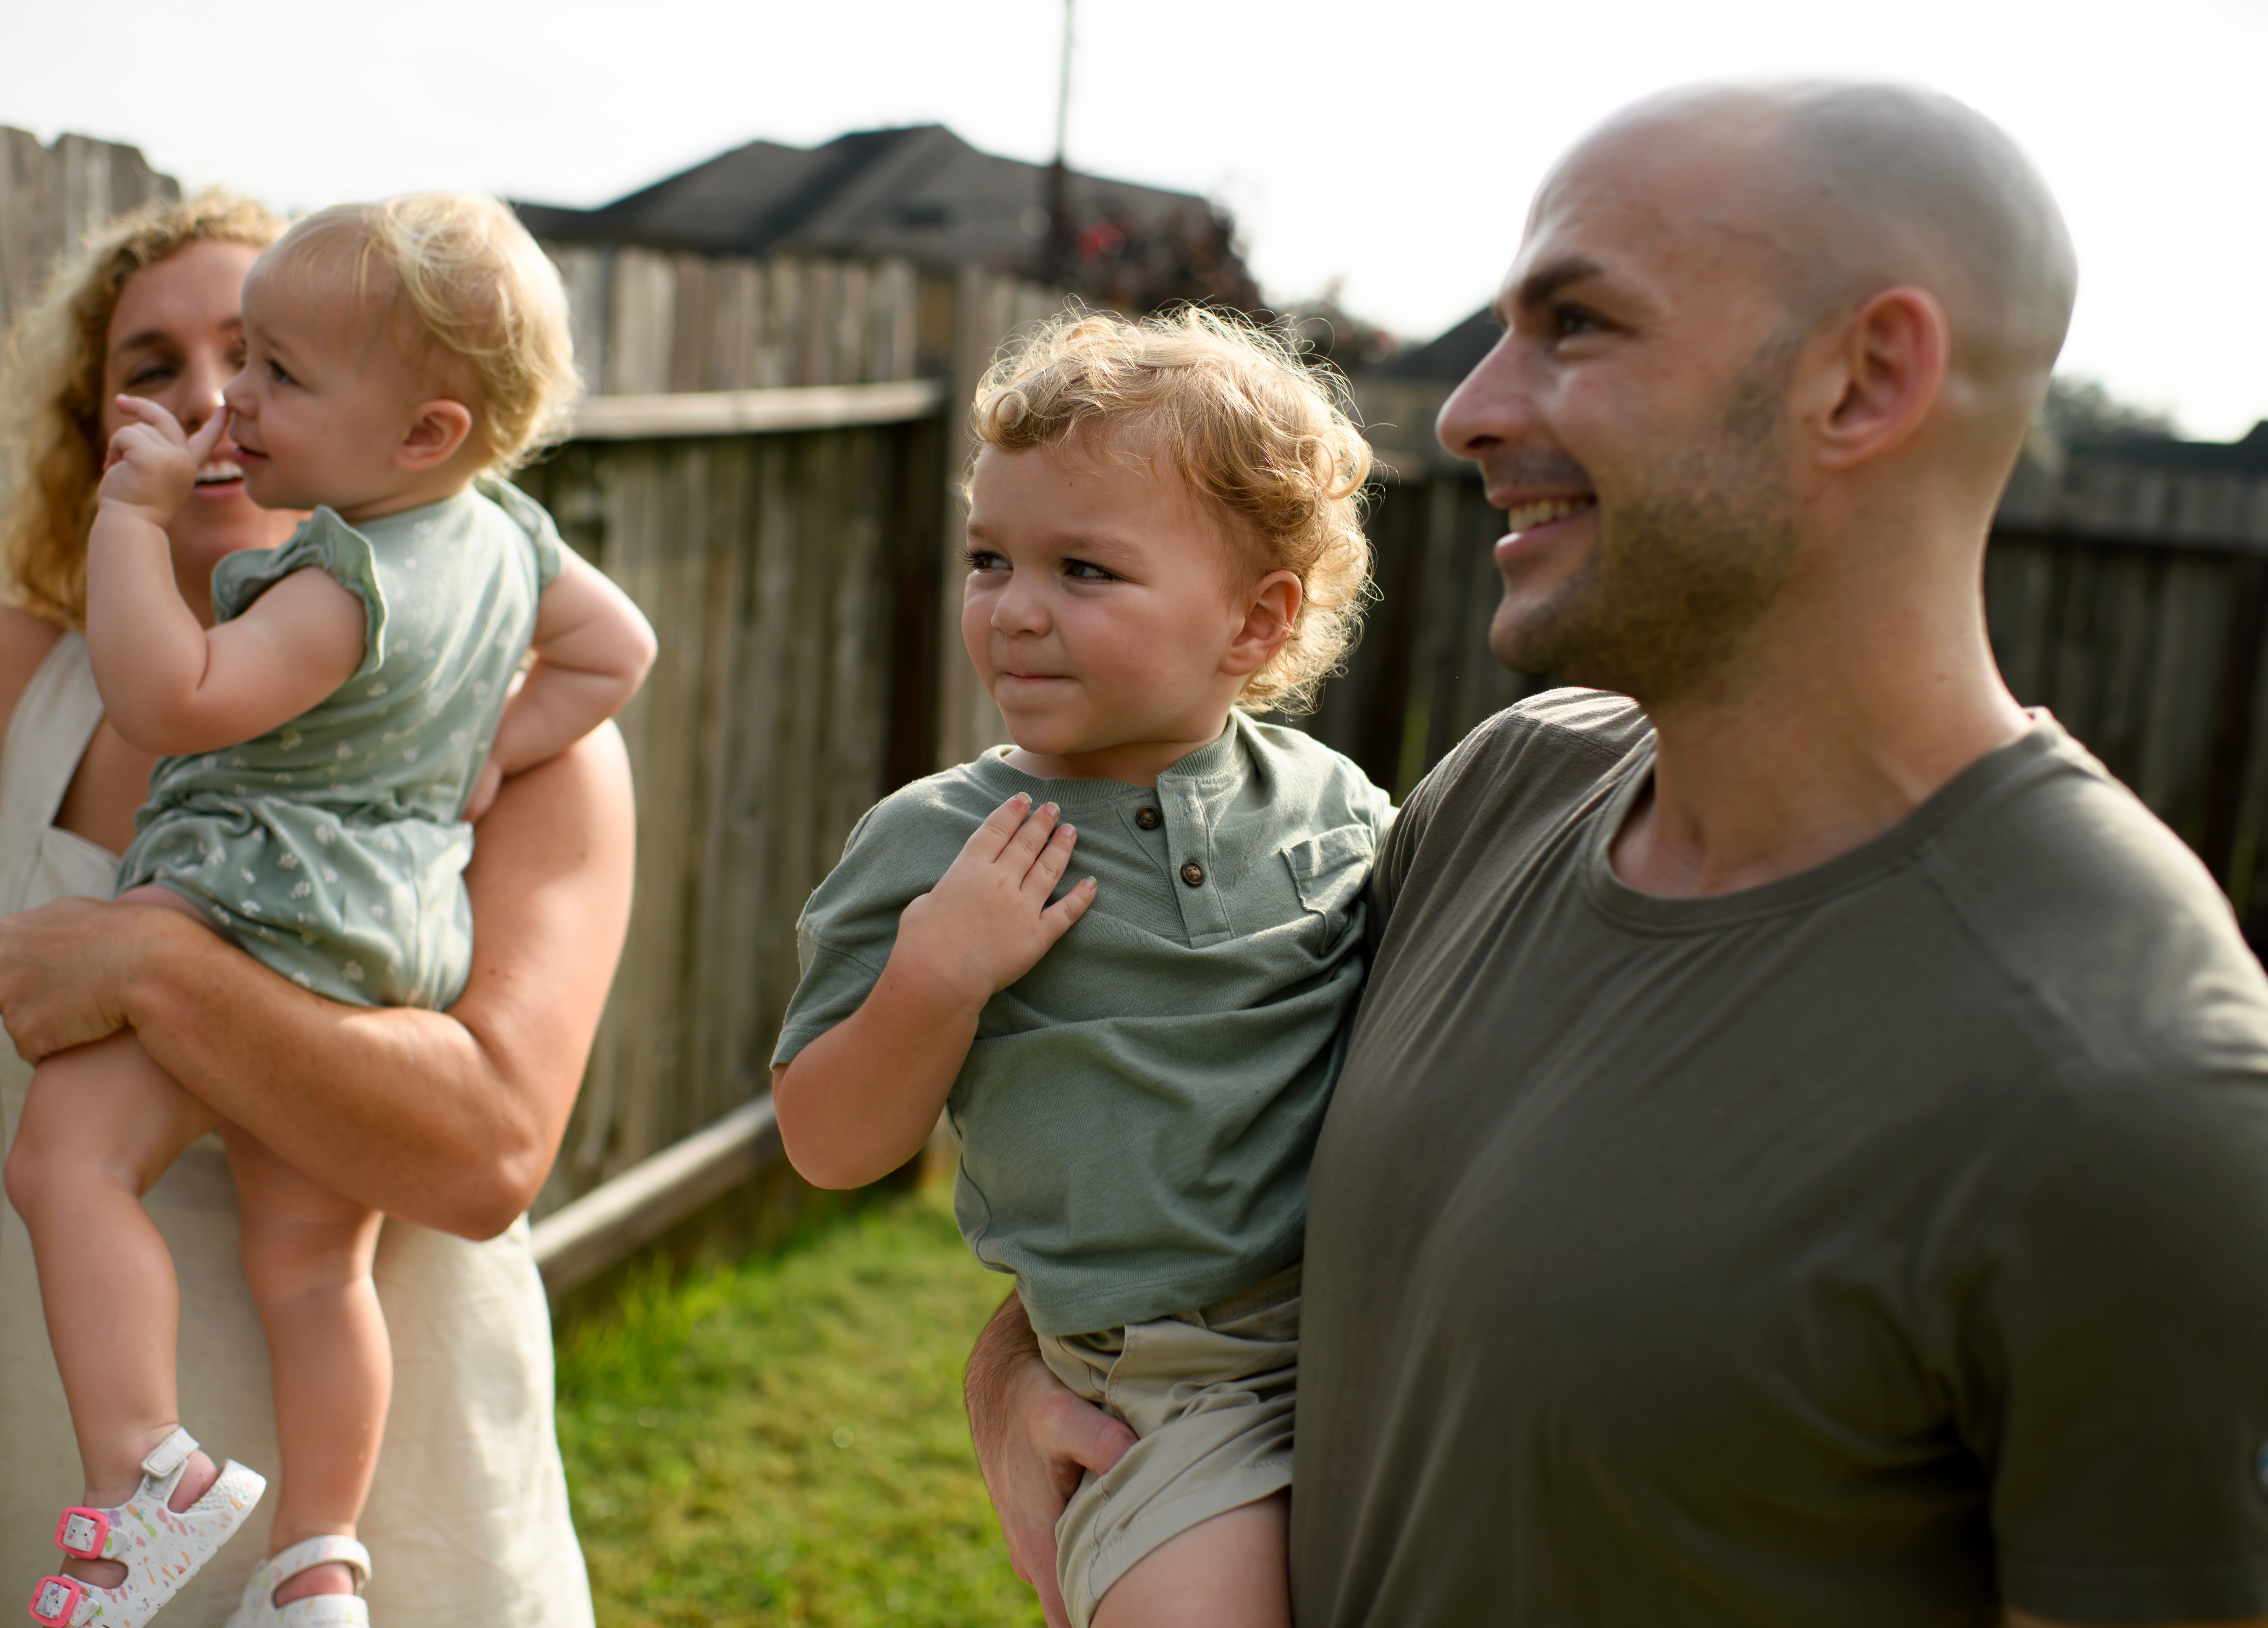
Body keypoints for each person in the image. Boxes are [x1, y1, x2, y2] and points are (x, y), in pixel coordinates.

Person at [968, 80, 2268, 1627]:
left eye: (1577, 327)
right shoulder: (1500, 798)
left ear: (1865, 380)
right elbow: (1229, 1210)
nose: (1467, 411)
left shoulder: (2131, 1089)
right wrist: (1015, 1377)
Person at [0, 191, 626, 1627]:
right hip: (36, 1508)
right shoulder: (17, 689)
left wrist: (148, 962)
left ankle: (242, 1516)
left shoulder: (527, 739)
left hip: (424, 1533)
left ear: (410, 420)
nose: (216, 396)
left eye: (260, 356)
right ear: (94, 428)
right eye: (156, 365)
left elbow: (490, 1148)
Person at [772, 309, 1388, 1628]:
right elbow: (829, 1142)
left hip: (1376, 1331)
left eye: (1085, 570)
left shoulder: (1340, 809)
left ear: (1255, 625)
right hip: (1166, 1380)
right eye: (990, 559)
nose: (1016, 610)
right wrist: (935, 976)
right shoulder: (936, 843)